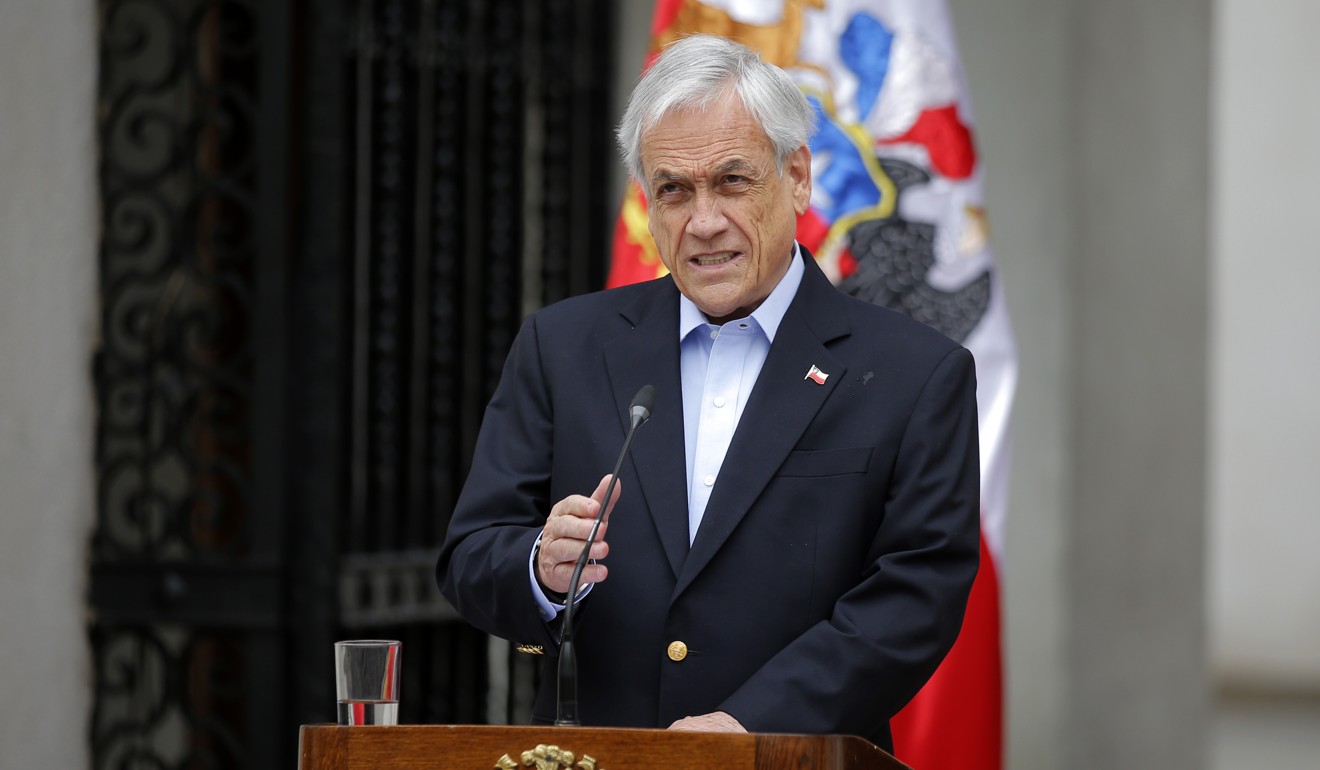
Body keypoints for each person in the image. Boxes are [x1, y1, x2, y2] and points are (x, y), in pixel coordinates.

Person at [437, 34, 979, 750]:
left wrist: (749, 727)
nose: (703, 221)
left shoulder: (915, 373)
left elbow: (914, 598)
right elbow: (470, 555)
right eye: (674, 189)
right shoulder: (563, 347)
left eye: (732, 181)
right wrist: (538, 565)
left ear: (798, 178)